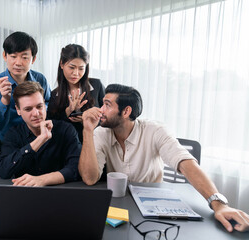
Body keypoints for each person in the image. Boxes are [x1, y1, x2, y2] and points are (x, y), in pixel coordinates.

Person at [79, 84, 249, 233]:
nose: (101, 110)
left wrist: (219, 205)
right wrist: (87, 130)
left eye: (107, 105)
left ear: (126, 111)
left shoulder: (155, 130)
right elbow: (89, 177)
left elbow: (186, 164)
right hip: (118, 206)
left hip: (153, 209)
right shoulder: (101, 133)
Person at [0, 81, 81, 186]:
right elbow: (4, 171)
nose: (36, 114)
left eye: (39, 106)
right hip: (26, 195)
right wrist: (40, 140)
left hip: (61, 193)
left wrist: (42, 180)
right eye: (28, 109)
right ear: (18, 110)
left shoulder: (65, 129)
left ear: (45, 104)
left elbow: (75, 169)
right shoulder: (13, 134)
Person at [0, 31, 51, 140]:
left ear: (33, 59)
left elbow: (48, 103)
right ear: (5, 56)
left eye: (24, 57)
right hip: (9, 141)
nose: (18, 63)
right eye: (13, 56)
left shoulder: (40, 79)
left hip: (38, 136)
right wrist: (5, 100)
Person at [47, 44, 105, 142]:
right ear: (62, 64)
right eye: (72, 67)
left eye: (81, 68)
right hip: (69, 147)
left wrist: (87, 121)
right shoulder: (54, 95)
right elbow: (52, 126)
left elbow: (107, 116)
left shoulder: (96, 85)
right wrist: (68, 111)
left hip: (97, 142)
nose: (76, 73)